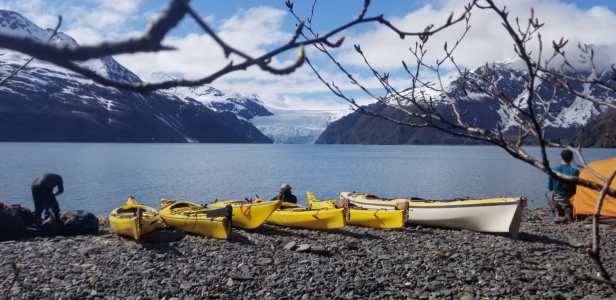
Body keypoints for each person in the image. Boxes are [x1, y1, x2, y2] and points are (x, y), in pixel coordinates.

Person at [548, 150, 580, 223]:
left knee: (548, 194)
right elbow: (577, 188)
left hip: (556, 198)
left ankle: (557, 211)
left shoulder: (554, 170)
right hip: (569, 199)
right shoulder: (575, 171)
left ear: (561, 157)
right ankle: (566, 212)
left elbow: (550, 188)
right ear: (572, 159)